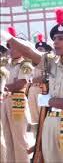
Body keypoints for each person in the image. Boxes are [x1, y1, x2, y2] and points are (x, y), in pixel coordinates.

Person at [1, 8, 63, 162]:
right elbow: (29, 52)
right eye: (55, 39)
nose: (55, 42)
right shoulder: (51, 62)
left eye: (61, 38)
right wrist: (11, 39)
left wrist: (49, 101)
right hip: (50, 120)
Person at [1, 27, 33, 163]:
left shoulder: (26, 64)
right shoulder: (5, 63)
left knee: (20, 138)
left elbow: (20, 83)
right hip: (5, 101)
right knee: (7, 137)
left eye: (14, 47)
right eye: (9, 47)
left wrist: (3, 87)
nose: (11, 50)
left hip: (17, 102)